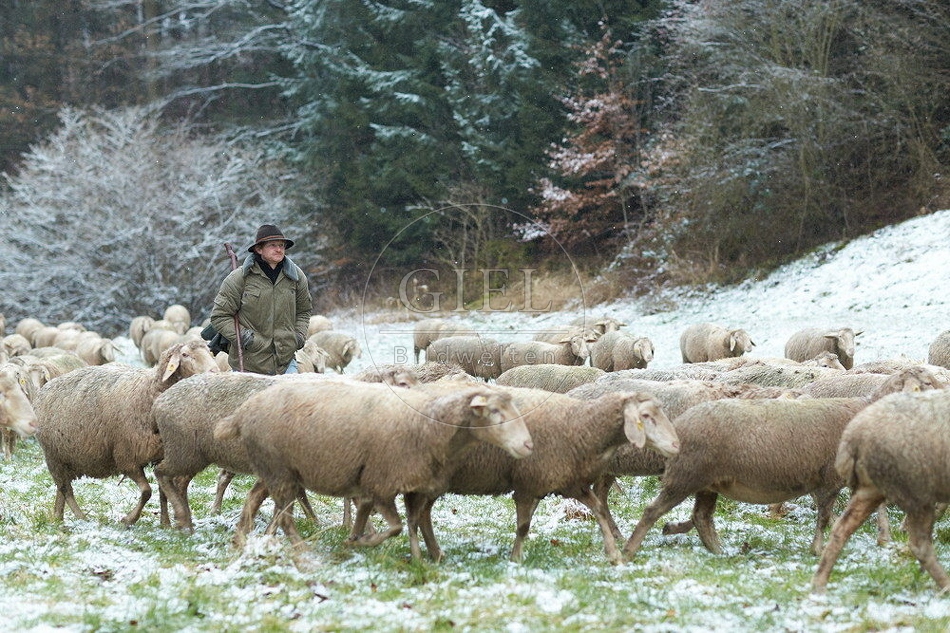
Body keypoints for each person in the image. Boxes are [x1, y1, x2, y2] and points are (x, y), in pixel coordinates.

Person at [210, 224, 312, 374]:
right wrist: (247, 338)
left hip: (285, 363)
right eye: (273, 245)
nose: (279, 249)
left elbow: (304, 311)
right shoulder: (239, 278)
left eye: (282, 245)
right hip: (248, 364)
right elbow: (220, 316)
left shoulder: (296, 277)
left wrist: (298, 338)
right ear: (259, 249)